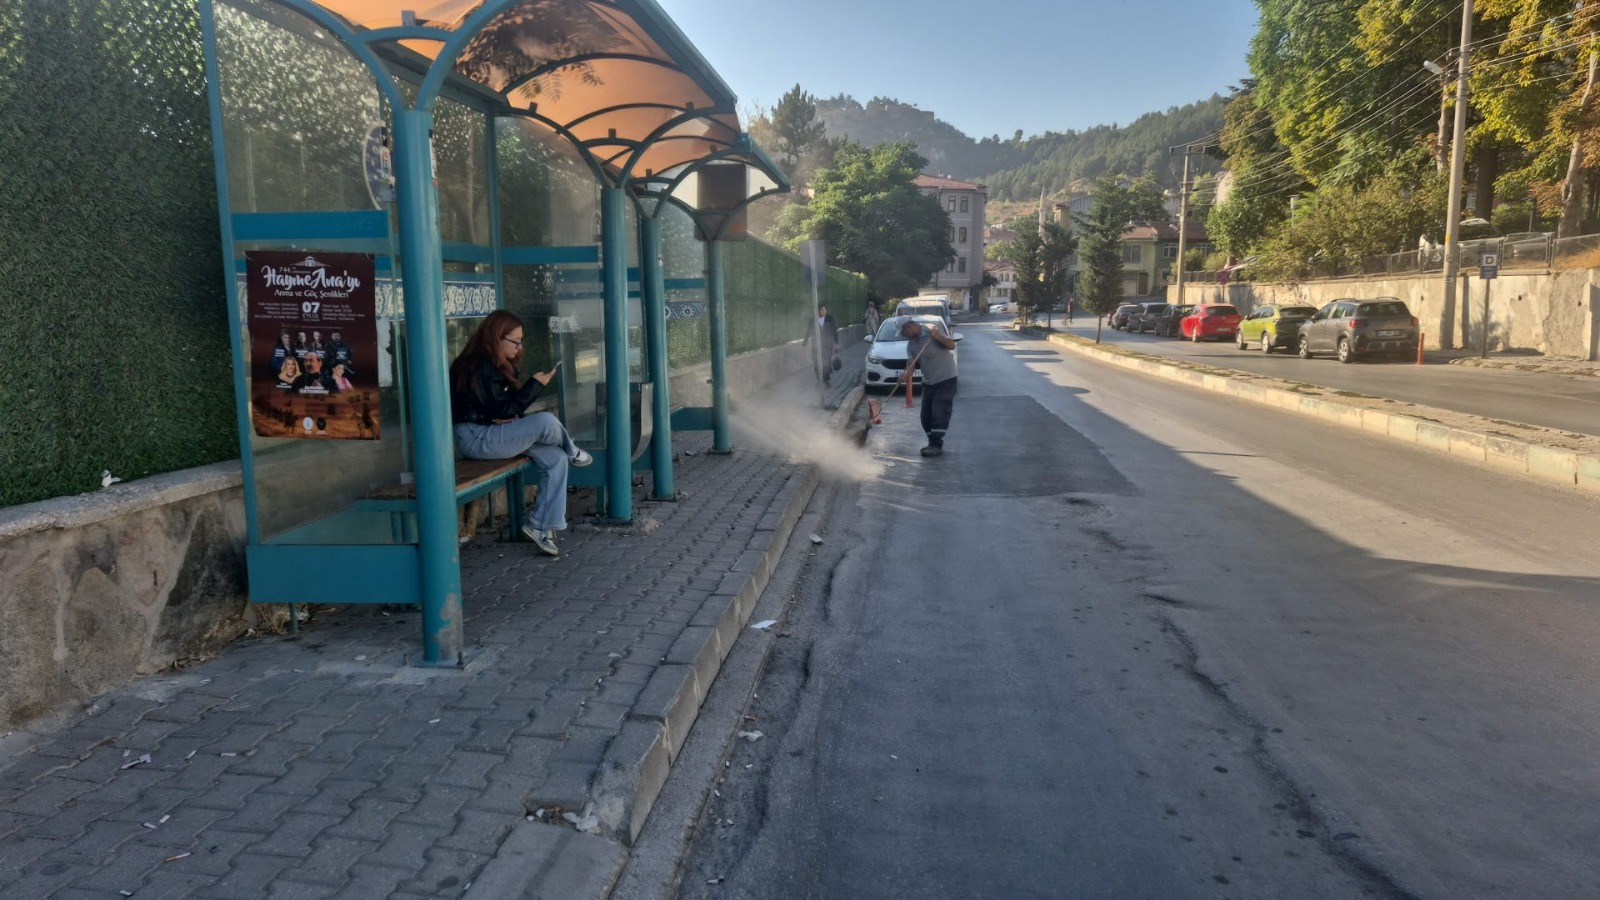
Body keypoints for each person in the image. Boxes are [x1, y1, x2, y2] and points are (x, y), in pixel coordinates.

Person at [449, 310, 592, 557]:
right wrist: (535, 386)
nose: (519, 346)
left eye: (521, 341)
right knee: (546, 421)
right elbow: (500, 408)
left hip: (494, 432)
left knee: (555, 458)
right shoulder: (476, 366)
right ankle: (573, 450)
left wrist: (512, 410)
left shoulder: (498, 364)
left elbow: (504, 410)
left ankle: (541, 527)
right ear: (496, 338)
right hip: (477, 437)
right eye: (515, 341)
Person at [898, 318, 958, 457]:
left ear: (909, 327)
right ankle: (932, 442)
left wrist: (938, 337)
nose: (903, 336)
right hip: (929, 381)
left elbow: (951, 345)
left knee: (939, 411)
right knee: (925, 416)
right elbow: (911, 365)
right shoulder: (911, 345)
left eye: (903, 333)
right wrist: (904, 376)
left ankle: (936, 445)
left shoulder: (933, 330)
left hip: (946, 378)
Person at [808, 304, 839, 384]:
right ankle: (819, 379)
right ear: (818, 311)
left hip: (827, 345)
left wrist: (836, 343)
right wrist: (804, 343)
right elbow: (808, 331)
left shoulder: (829, 319)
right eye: (822, 309)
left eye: (825, 309)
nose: (824, 311)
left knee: (826, 362)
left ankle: (826, 379)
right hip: (816, 345)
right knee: (816, 362)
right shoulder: (814, 319)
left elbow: (834, 331)